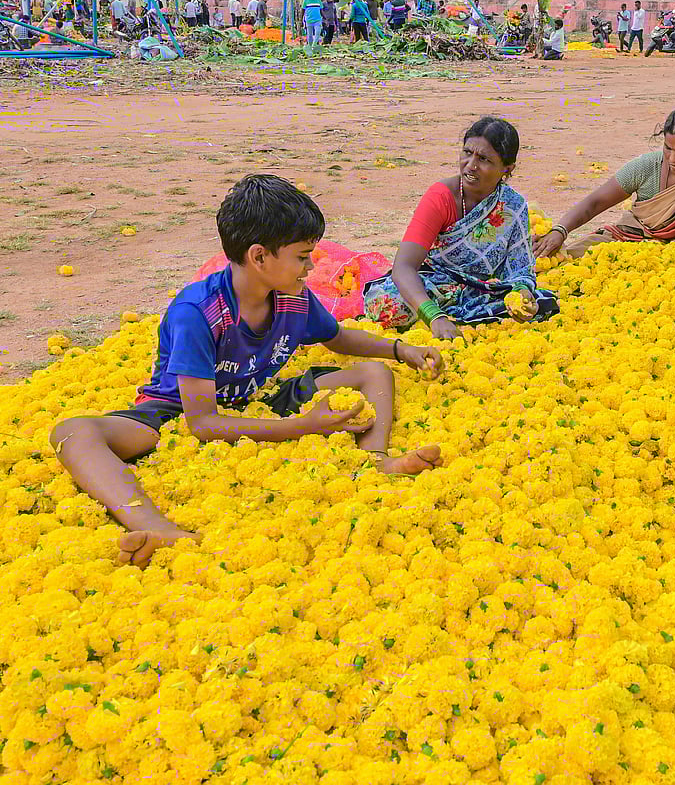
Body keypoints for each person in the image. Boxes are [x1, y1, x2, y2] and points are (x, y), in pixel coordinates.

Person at [49, 175, 446, 570]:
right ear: (259, 257)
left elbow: (338, 338)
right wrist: (304, 426)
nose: (311, 267)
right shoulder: (197, 313)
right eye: (303, 256)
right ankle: (156, 526)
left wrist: (399, 349)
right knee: (72, 432)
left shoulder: (294, 297)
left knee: (375, 373)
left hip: (257, 398)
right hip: (176, 415)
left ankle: (375, 459)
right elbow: (202, 423)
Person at [363, 117, 558, 338]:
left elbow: (520, 270)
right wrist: (433, 316)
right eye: (467, 153)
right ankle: (447, 316)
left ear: (506, 168)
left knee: (543, 305)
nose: (471, 165)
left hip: (481, 290)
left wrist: (521, 295)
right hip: (433, 284)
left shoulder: (513, 206)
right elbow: (404, 267)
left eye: (483, 159)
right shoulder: (441, 197)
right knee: (386, 307)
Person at [534, 106, 675, 261]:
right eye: (668, 148)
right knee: (565, 263)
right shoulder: (648, 167)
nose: (673, 159)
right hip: (627, 242)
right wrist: (560, 231)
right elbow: (595, 202)